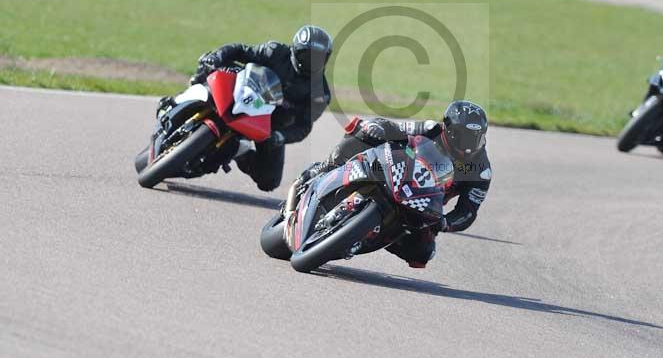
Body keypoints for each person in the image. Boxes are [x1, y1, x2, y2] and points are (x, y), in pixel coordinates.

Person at [288, 100, 492, 268]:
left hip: (423, 202)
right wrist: (377, 127)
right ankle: (325, 169)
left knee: (422, 254)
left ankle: (363, 238)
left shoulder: (481, 170)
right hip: (393, 172)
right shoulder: (430, 129)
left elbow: (468, 212)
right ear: (449, 130)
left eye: (476, 137)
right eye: (464, 136)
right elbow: (394, 128)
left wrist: (446, 223)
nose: (469, 144)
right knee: (364, 132)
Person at [180, 25, 333, 191]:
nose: (311, 62)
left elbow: (304, 126)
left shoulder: (320, 93)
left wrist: (281, 136)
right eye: (307, 55)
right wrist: (216, 58)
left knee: (269, 181)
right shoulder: (275, 51)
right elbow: (240, 51)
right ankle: (186, 96)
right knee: (214, 63)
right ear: (295, 50)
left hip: (268, 127)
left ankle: (239, 151)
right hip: (245, 93)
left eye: (318, 58)